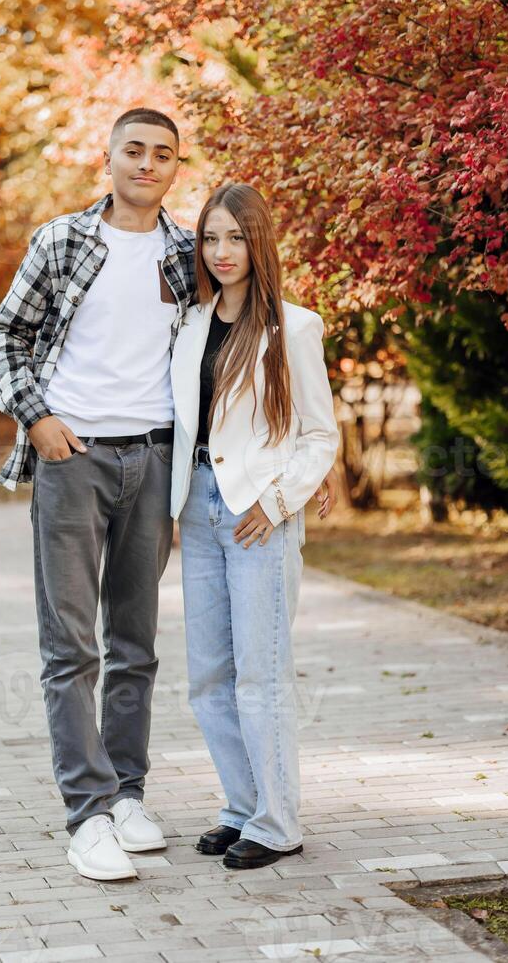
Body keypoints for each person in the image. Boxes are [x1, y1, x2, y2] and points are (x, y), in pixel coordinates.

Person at [0, 108, 196, 881]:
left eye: (161, 154)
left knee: (134, 643)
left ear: (176, 167)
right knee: (69, 647)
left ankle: (128, 793)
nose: (146, 164)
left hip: (155, 461)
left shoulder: (187, 252)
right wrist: (37, 417)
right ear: (109, 158)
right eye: (133, 150)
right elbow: (2, 333)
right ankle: (88, 816)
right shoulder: (63, 240)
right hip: (73, 460)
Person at [170, 183, 340, 869]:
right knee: (209, 676)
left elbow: (320, 435)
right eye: (210, 238)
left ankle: (277, 822)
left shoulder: (293, 327)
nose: (221, 251)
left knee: (261, 676)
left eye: (235, 237)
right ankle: (241, 807)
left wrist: (279, 501)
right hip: (198, 510)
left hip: (256, 518)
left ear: (258, 242)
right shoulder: (187, 324)